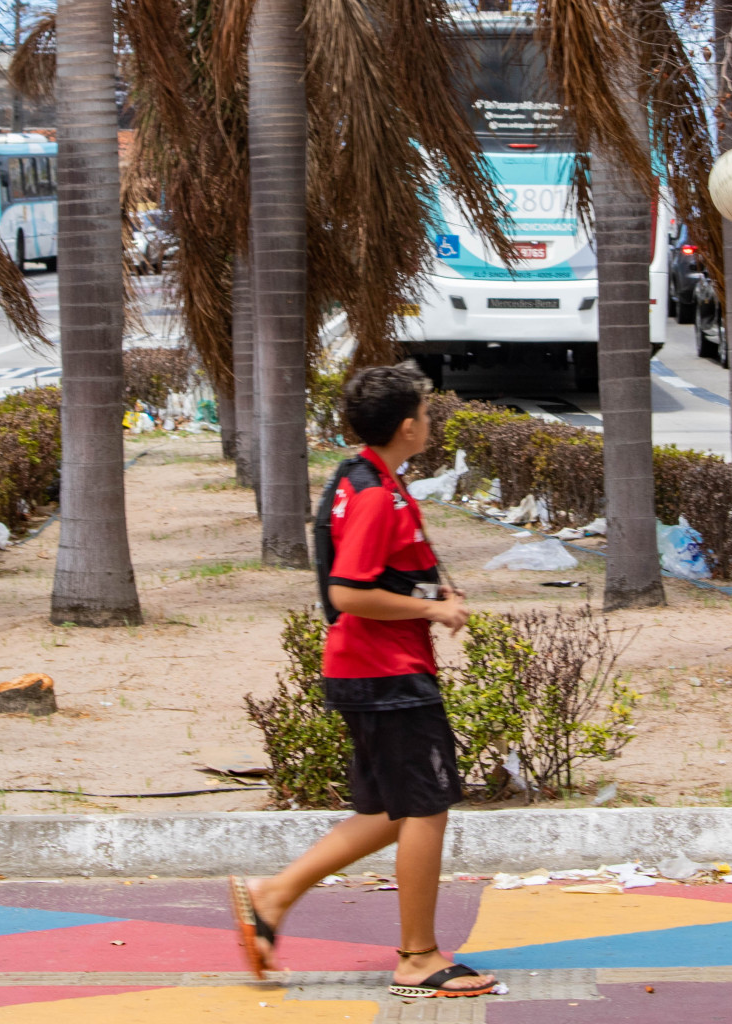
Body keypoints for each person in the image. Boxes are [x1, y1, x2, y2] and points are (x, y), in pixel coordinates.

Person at [232, 365, 497, 1000]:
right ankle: (417, 957)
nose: (429, 423)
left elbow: (386, 568)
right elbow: (349, 591)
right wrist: (435, 610)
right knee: (427, 809)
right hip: (388, 676)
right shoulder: (378, 493)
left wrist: (434, 589)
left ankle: (275, 895)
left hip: (363, 669)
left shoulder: (362, 476)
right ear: (408, 428)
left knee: (385, 812)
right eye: (427, 415)